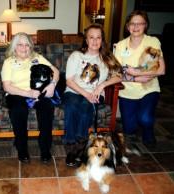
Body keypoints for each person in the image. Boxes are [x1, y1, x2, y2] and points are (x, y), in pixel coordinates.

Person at [63, 24, 122, 166]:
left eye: (98, 37)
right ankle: (71, 146)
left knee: (85, 110)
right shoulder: (76, 56)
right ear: (86, 40)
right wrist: (85, 93)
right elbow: (69, 81)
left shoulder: (107, 58)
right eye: (91, 37)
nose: (95, 41)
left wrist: (102, 85)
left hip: (95, 94)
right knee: (71, 107)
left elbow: (119, 76)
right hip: (73, 91)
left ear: (102, 40)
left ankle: (80, 146)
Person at [1, 32, 59, 163]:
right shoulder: (8, 62)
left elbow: (55, 71)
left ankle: (45, 149)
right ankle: (22, 149)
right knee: (18, 110)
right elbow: (7, 87)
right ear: (14, 47)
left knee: (47, 107)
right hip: (17, 93)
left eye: (27, 45)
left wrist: (52, 85)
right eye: (20, 45)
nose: (24, 48)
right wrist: (28, 93)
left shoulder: (37, 57)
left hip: (38, 93)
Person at [114, 10, 165, 147]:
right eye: (132, 23)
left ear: (145, 25)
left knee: (145, 118)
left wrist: (135, 72)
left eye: (140, 23)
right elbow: (117, 74)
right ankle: (138, 118)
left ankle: (148, 130)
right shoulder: (120, 46)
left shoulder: (152, 42)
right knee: (129, 129)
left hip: (148, 88)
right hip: (127, 91)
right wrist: (136, 78)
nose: (135, 27)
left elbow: (161, 70)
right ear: (127, 26)